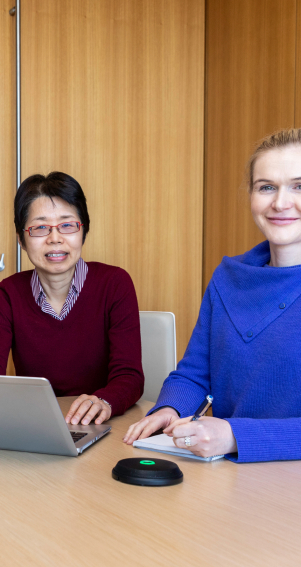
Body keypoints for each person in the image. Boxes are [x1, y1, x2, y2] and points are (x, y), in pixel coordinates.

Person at [124, 129, 301, 462]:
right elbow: (194, 373)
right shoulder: (228, 278)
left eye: (299, 186)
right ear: (250, 194)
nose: (280, 202)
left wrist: (236, 436)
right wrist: (170, 406)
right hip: (228, 479)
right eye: (266, 187)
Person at [0, 172, 144, 424]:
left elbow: (129, 375)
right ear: (21, 238)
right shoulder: (7, 295)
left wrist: (104, 402)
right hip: (36, 423)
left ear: (83, 230)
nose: (55, 238)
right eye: (40, 227)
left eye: (67, 225)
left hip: (101, 423)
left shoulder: (115, 284)